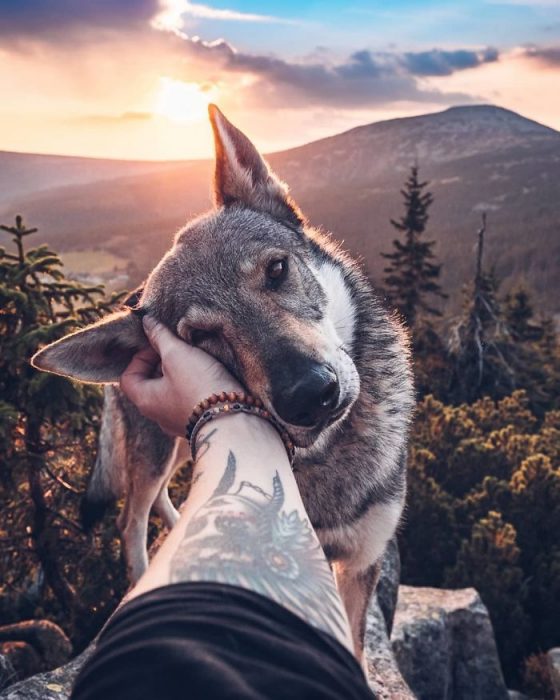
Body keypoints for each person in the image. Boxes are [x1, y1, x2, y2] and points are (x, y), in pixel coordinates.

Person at [71, 315, 375, 700]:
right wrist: (235, 418)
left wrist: (217, 411)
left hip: (129, 669)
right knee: (154, 466)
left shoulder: (138, 672)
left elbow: (170, 653)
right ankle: (136, 534)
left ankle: (160, 506)